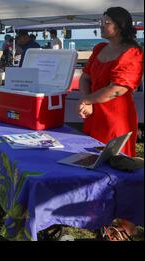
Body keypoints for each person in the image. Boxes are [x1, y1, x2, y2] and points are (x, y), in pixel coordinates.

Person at [77, 7, 143, 241]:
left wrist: (89, 100)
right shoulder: (99, 48)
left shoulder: (133, 52)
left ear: (121, 26)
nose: (102, 24)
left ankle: (126, 226)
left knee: (118, 170)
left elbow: (118, 89)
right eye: (101, 20)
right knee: (93, 163)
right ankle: (99, 215)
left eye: (106, 22)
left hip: (117, 119)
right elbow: (86, 76)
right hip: (94, 116)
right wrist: (87, 100)